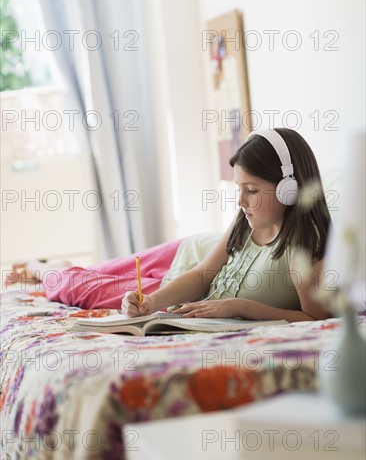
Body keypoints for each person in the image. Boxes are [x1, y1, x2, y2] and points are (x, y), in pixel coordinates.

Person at [5, 128, 331, 323]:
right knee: (104, 272)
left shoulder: (304, 245)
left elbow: (317, 319)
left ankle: (46, 269)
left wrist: (241, 307)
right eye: (239, 189)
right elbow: (201, 275)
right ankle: (41, 267)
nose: (240, 202)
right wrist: (154, 302)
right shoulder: (247, 221)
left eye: (252, 191)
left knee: (84, 287)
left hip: (190, 287)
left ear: (289, 188)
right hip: (188, 254)